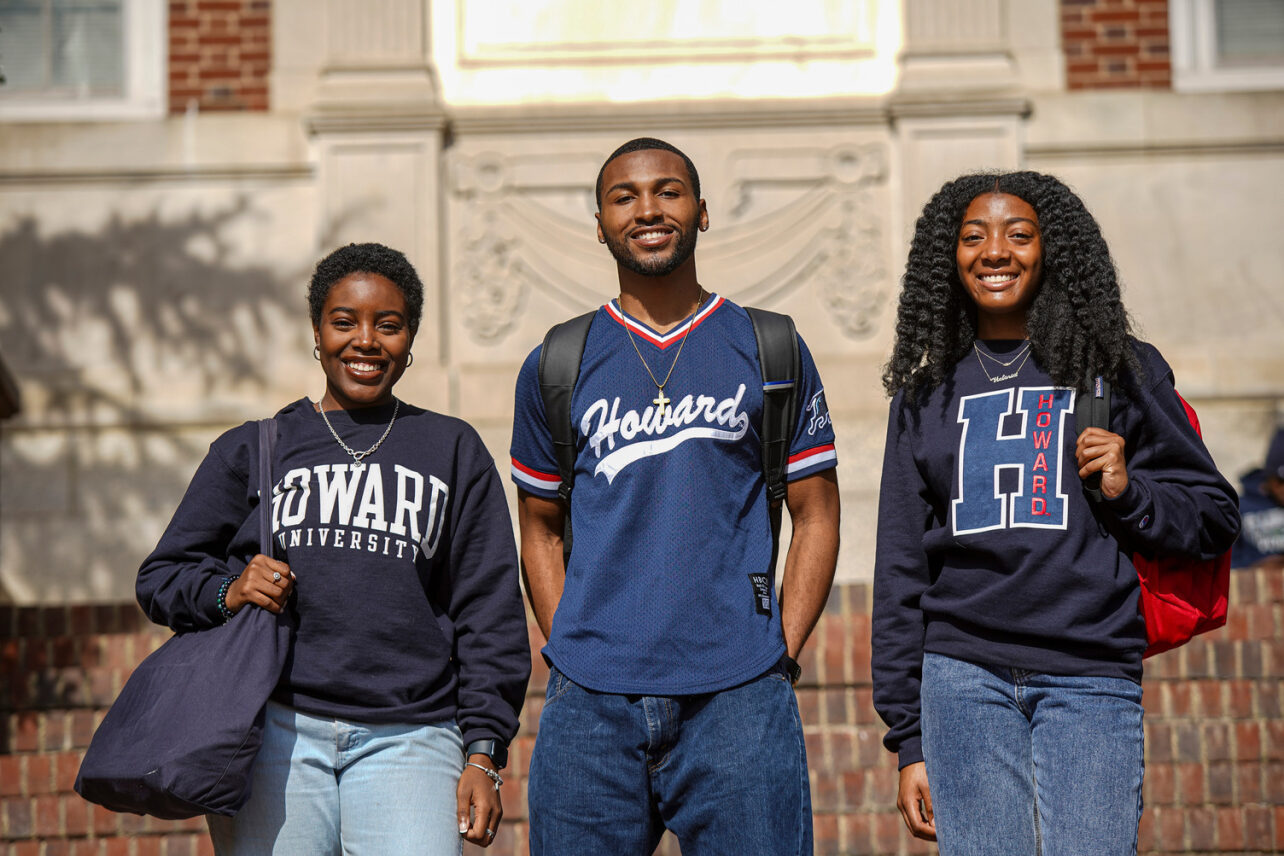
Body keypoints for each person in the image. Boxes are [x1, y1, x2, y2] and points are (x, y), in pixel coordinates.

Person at [871, 172, 1240, 855]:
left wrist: (1131, 493)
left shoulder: (1116, 370)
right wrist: (908, 741)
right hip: (962, 678)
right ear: (946, 258)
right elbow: (900, 570)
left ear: (1053, 251)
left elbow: (1214, 515)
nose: (995, 252)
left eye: (1019, 234)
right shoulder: (925, 395)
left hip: (1089, 673)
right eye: (973, 237)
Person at [136, 242, 530, 855]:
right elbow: (162, 576)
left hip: (413, 738)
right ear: (317, 334)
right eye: (343, 321)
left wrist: (484, 754)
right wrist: (228, 590)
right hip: (273, 736)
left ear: (411, 338)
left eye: (388, 324)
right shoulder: (254, 449)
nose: (365, 340)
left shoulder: (451, 449)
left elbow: (490, 614)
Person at [509, 137, 841, 855]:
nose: (648, 209)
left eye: (668, 190)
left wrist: (777, 650)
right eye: (624, 196)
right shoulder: (557, 362)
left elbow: (816, 513)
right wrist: (573, 647)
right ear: (599, 224)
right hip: (591, 708)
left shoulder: (770, 346)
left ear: (702, 212)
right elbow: (538, 527)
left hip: (739, 697)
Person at [1232, 426, 1284, 568]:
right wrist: (1256, 568)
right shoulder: (1239, 508)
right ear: (1269, 478)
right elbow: (1225, 566)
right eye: (1280, 481)